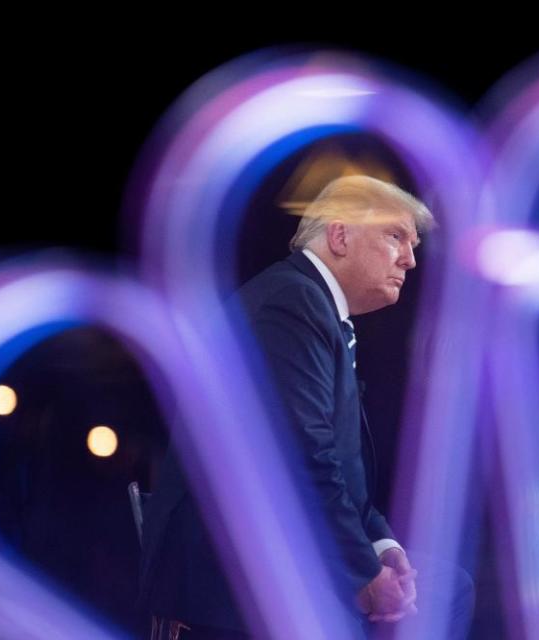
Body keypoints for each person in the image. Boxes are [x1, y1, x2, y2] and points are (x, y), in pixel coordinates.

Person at [139, 175, 471, 639]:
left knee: (445, 587)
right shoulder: (292, 303)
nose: (410, 260)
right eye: (395, 236)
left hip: (277, 553)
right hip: (234, 575)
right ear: (339, 235)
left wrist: (382, 545)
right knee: (436, 599)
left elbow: (340, 468)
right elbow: (305, 454)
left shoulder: (313, 306)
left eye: (413, 244)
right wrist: (363, 575)